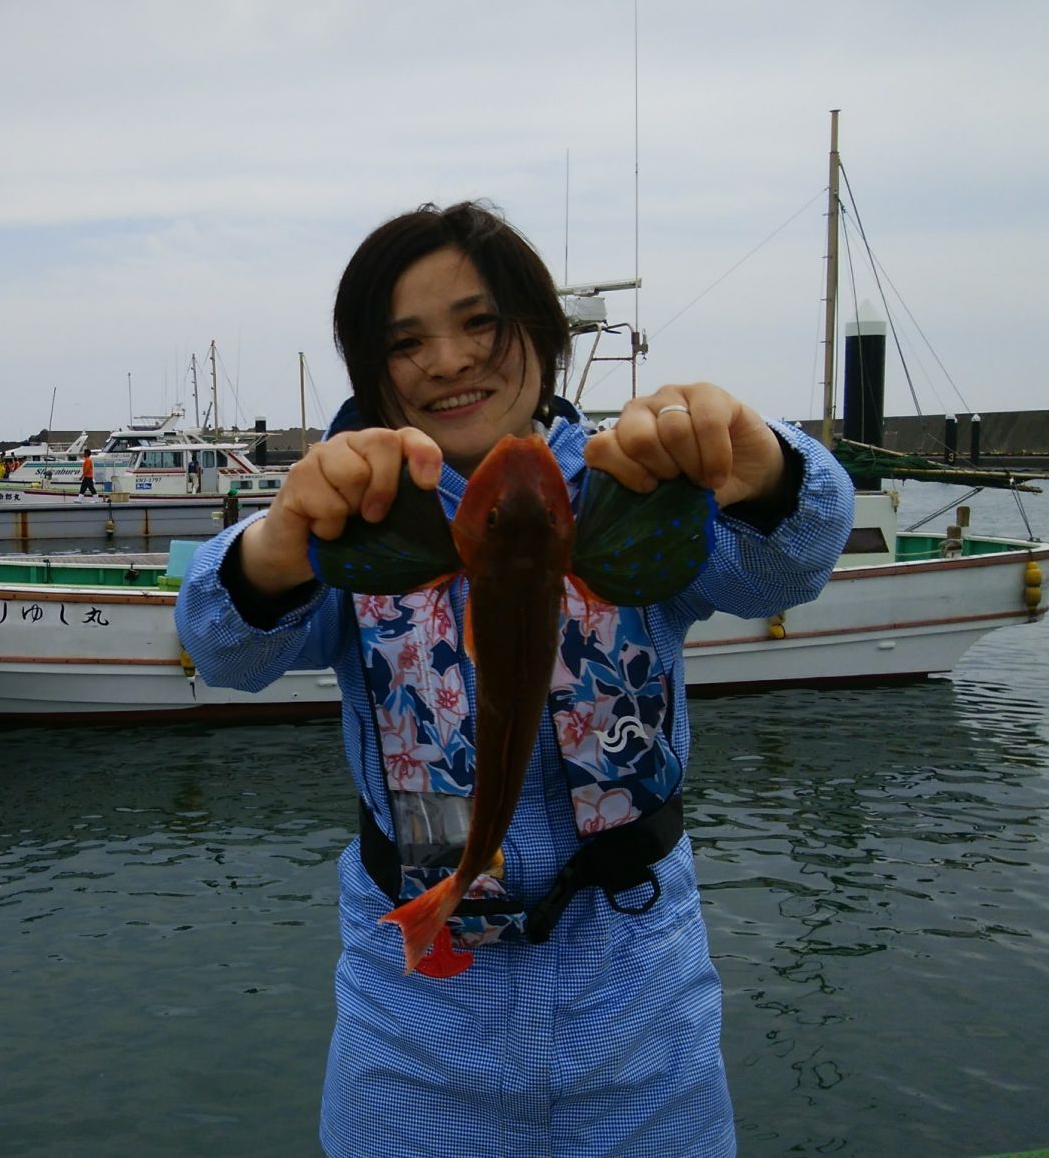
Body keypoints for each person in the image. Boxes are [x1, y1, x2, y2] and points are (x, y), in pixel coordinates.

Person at [174, 201, 852, 1155]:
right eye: (405, 342)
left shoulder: (637, 494)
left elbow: (794, 564)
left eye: (480, 322)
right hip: (412, 1029)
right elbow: (222, 650)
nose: (448, 360)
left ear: (544, 331)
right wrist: (279, 541)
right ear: (374, 373)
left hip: (639, 1014)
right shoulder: (357, 520)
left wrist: (767, 464)